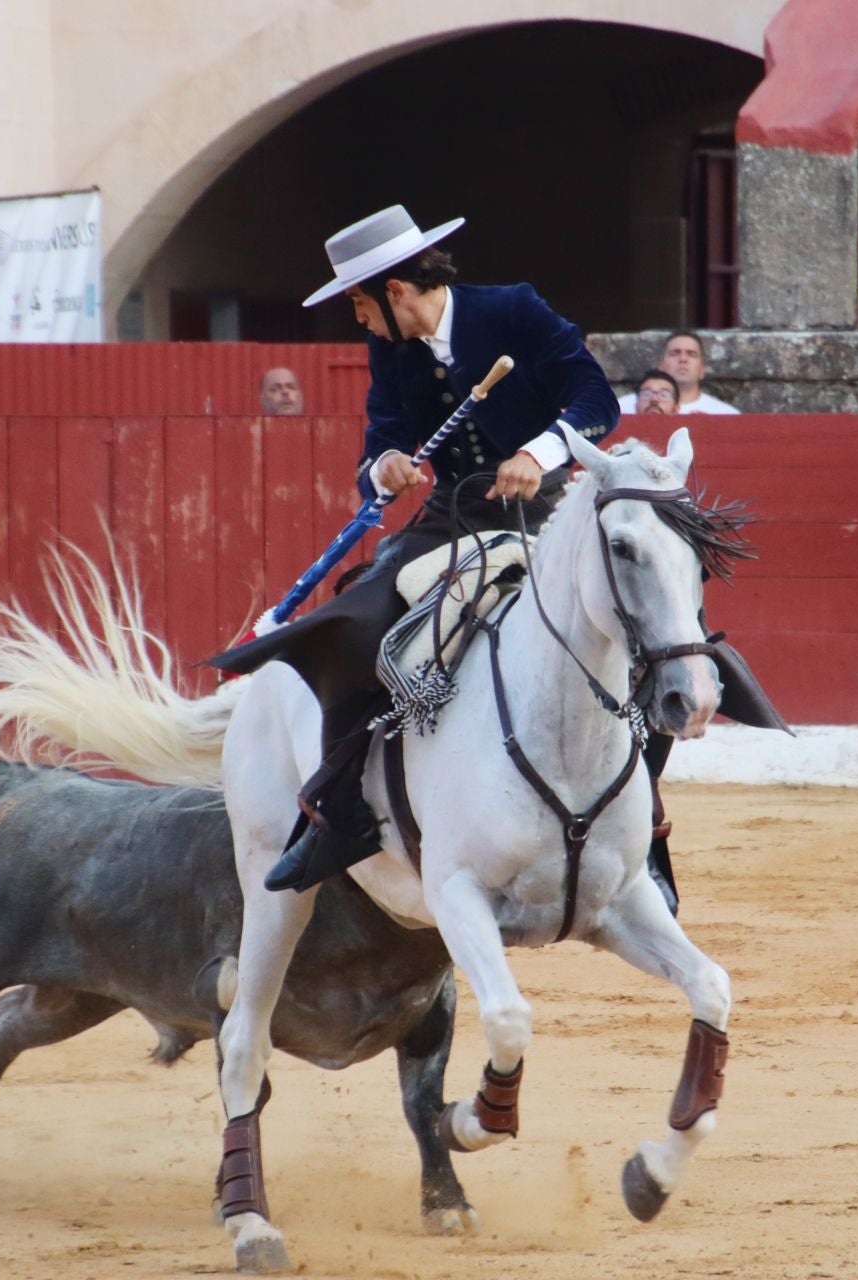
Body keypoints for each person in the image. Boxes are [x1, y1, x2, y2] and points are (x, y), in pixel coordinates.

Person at [210, 204, 621, 893]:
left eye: (359, 303)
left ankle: (651, 836)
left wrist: (539, 451)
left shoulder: (513, 311)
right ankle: (338, 814)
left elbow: (595, 397)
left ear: (395, 291)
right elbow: (385, 429)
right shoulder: (394, 346)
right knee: (354, 623)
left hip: (548, 511)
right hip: (453, 513)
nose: (358, 318)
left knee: (635, 631)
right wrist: (386, 464)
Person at [615, 331, 738, 415]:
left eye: (691, 354)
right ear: (660, 366)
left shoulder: (725, 414)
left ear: (702, 370)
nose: (683, 359)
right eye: (675, 353)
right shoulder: (621, 409)